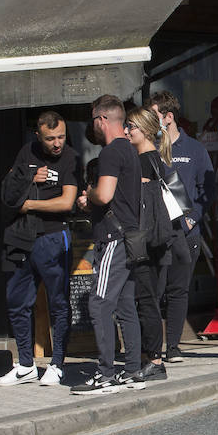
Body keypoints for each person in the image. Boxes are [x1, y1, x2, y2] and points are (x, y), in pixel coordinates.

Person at [0, 112, 80, 387]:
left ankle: (57, 364)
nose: (57, 143)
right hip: (23, 236)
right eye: (50, 138)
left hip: (54, 236)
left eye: (61, 137)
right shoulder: (26, 152)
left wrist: (30, 205)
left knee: (58, 302)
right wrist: (30, 179)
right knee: (18, 301)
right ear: (38, 136)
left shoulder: (69, 156)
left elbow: (66, 202)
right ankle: (25, 364)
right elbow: (9, 189)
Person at [73, 95, 144, 393]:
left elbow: (104, 195)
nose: (93, 126)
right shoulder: (130, 150)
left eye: (94, 120)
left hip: (113, 239)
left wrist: (88, 196)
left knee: (99, 303)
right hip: (130, 238)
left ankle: (105, 373)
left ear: (102, 119)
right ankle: (133, 370)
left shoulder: (111, 153)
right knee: (126, 305)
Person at [149, 90, 216, 362]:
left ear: (168, 117)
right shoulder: (148, 148)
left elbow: (207, 189)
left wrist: (193, 218)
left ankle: (173, 347)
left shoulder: (194, 149)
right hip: (156, 232)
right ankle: (151, 348)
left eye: (154, 116)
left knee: (179, 290)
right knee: (154, 291)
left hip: (186, 232)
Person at [124, 104, 181, 383]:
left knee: (146, 301)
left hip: (145, 241)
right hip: (161, 239)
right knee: (151, 300)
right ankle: (151, 357)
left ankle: (154, 360)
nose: (126, 131)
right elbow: (180, 200)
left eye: (131, 127)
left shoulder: (142, 162)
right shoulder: (160, 160)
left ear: (145, 131)